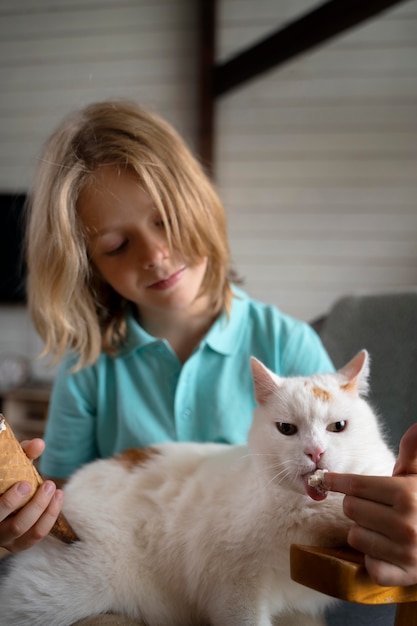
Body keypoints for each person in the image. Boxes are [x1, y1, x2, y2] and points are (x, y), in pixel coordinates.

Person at [0, 101, 416, 615]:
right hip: (139, 577)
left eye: (166, 219)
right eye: (116, 244)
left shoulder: (286, 344)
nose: (154, 253)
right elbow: (62, 502)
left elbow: (350, 478)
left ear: (199, 204)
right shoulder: (90, 367)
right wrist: (25, 515)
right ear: (86, 266)